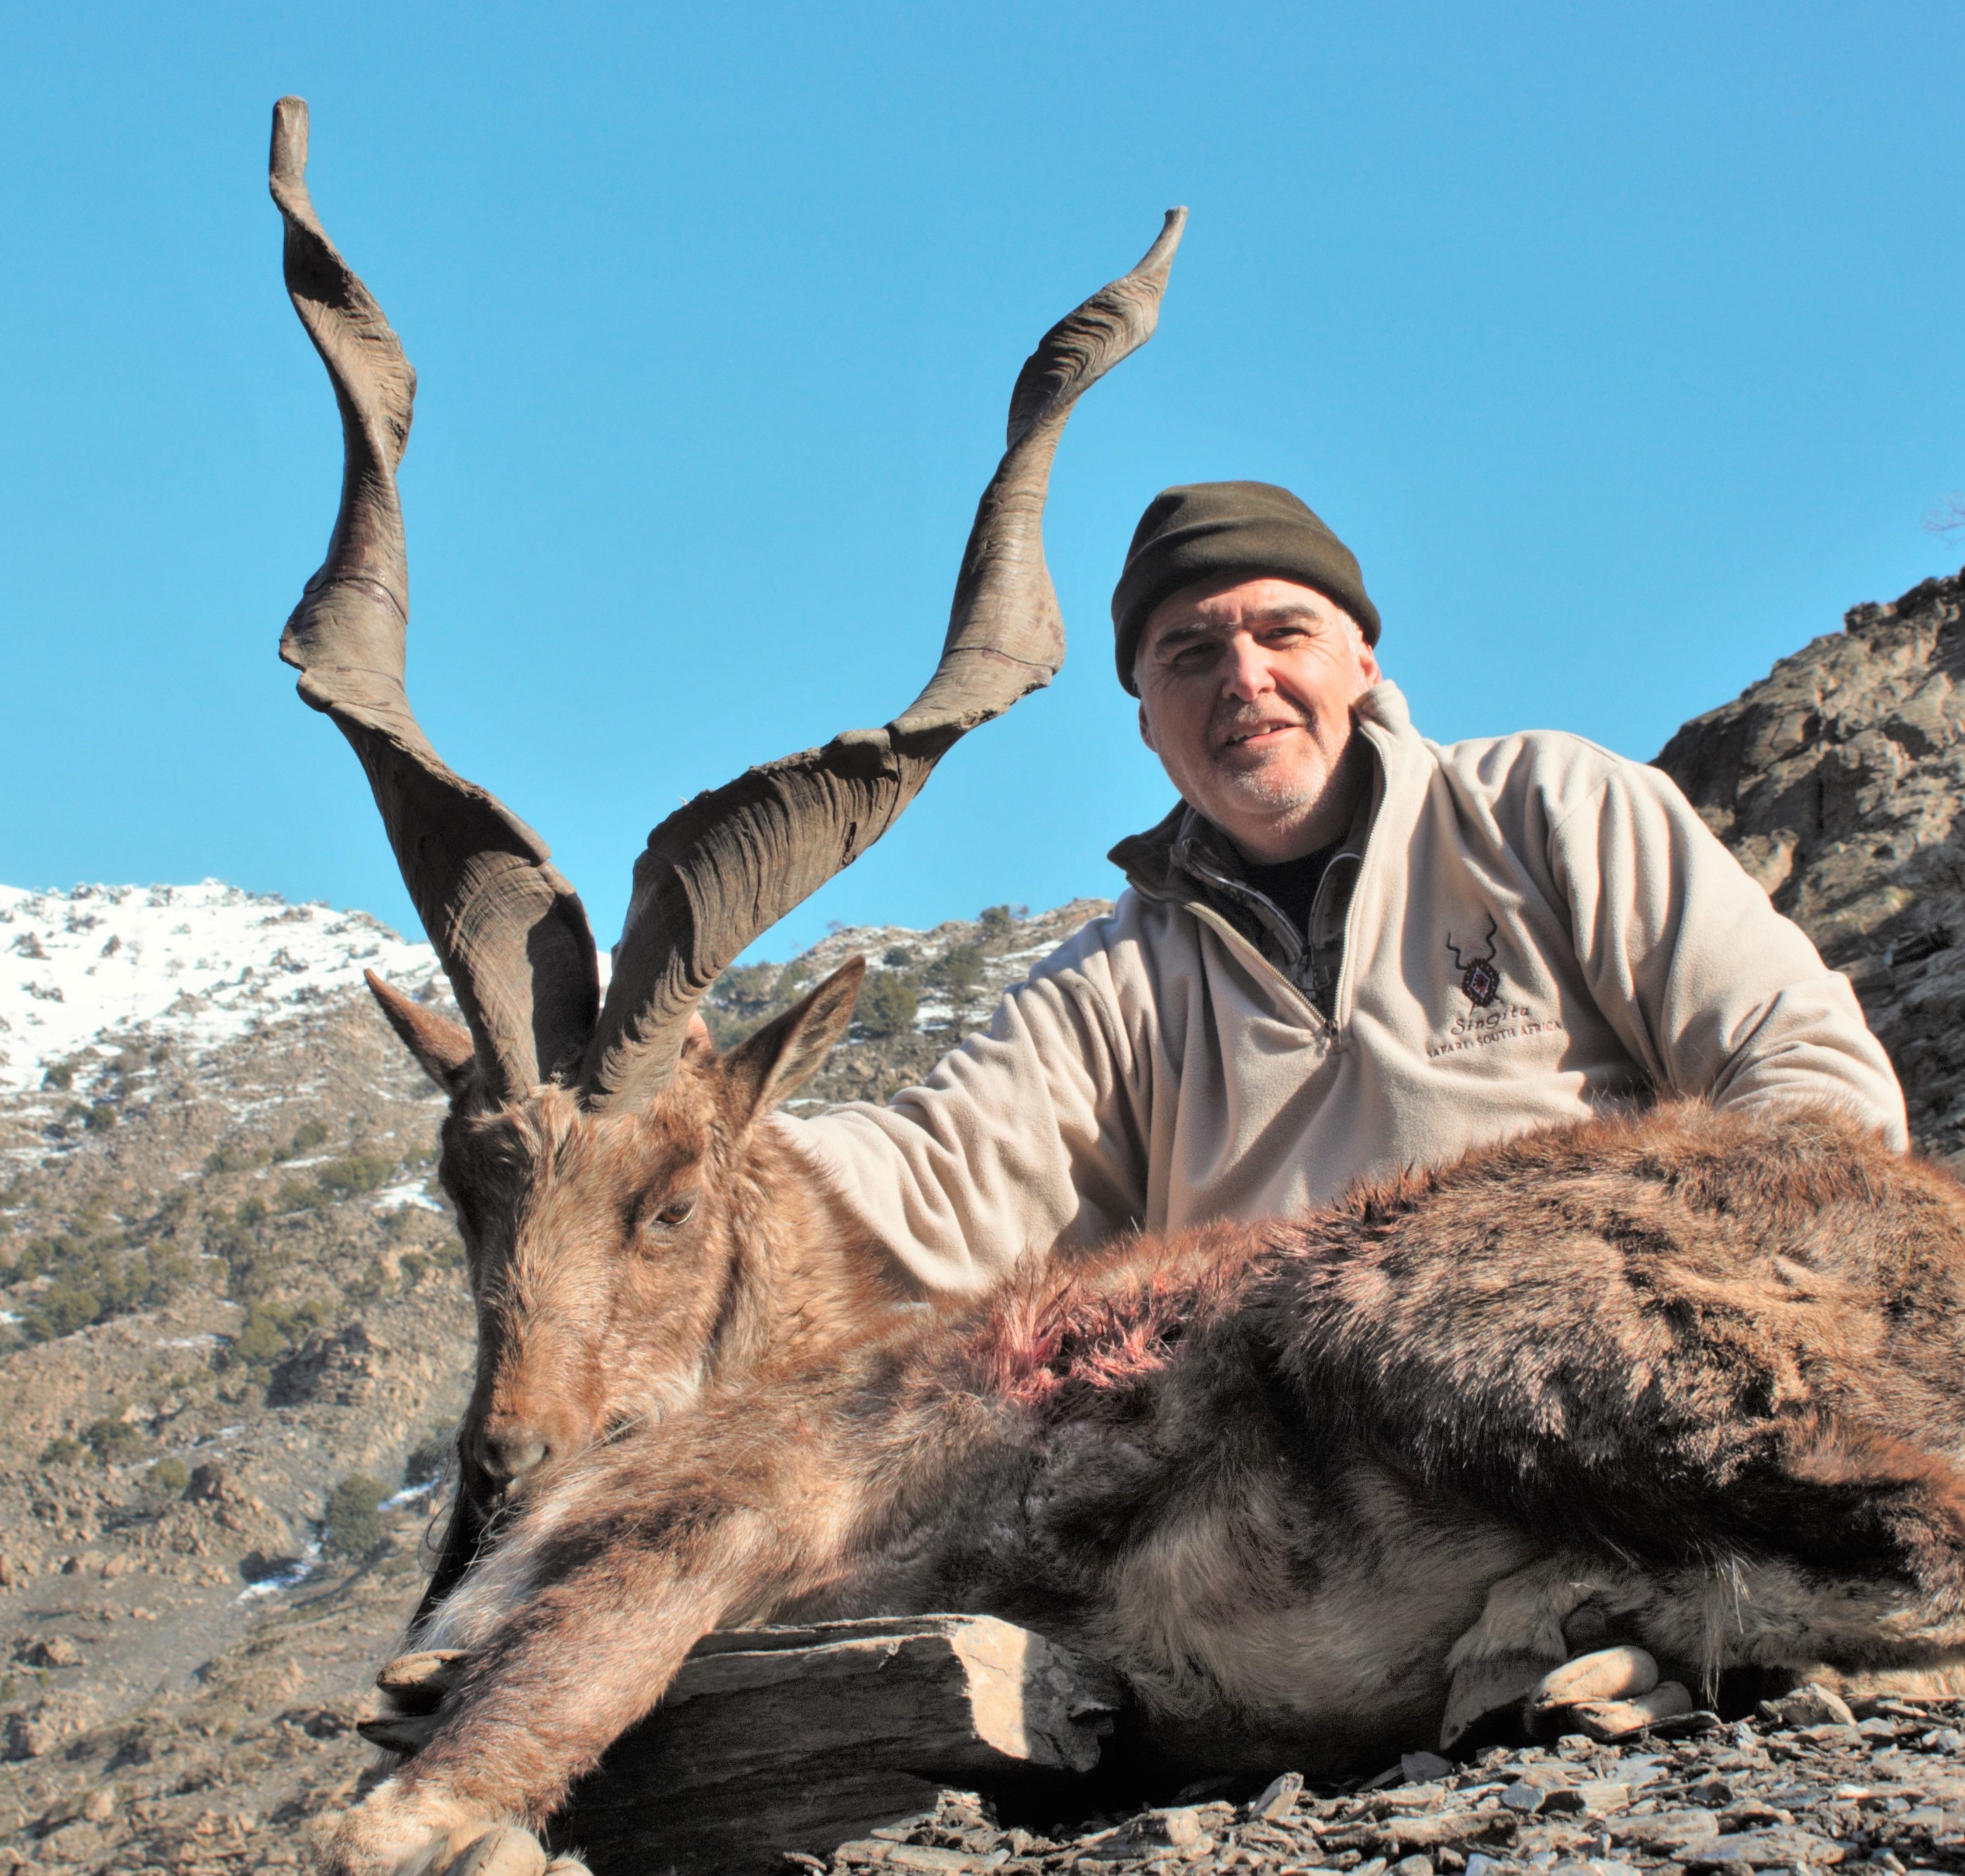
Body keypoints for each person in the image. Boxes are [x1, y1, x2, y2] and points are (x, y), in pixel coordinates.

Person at [785, 481, 1907, 1301]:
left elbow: (1805, 1069)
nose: (1244, 678)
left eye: (1284, 632)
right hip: (1295, 1460)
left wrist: (1703, 1295)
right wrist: (693, 1122)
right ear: (1143, 722)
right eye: (1188, 655)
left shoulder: (1548, 808)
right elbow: (930, 1185)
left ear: (1361, 662)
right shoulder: (1110, 988)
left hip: (1608, 1348)